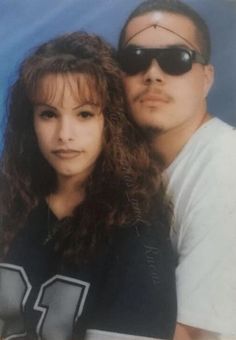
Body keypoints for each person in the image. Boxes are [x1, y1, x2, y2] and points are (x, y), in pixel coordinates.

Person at [0, 31, 176, 340]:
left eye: (84, 114)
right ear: (31, 123)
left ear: (111, 122)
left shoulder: (138, 228)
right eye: (48, 114)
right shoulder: (9, 199)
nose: (64, 134)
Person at [117, 0, 236, 339]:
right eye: (134, 59)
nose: (152, 73)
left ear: (207, 78)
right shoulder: (127, 169)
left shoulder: (226, 167)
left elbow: (189, 334)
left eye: (176, 60)